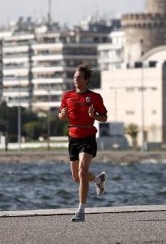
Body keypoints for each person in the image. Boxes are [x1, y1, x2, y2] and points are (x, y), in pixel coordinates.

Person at [58, 64, 109, 222]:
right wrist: (63, 114)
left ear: (87, 80)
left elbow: (104, 117)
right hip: (73, 137)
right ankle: (98, 180)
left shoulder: (95, 97)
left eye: (79, 77)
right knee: (76, 177)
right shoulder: (67, 96)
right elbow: (61, 115)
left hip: (88, 136)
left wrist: (94, 115)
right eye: (74, 77)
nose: (76, 79)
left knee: (82, 172)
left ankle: (81, 211)